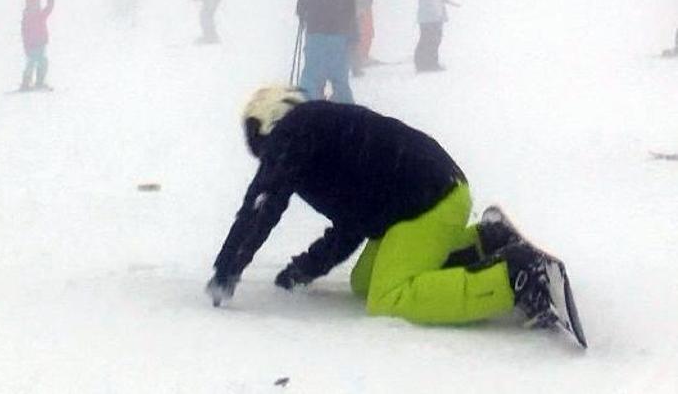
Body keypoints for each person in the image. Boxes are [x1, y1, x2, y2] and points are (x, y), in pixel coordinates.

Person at [206, 86, 584, 345]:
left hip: (426, 200)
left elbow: (262, 202)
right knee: (364, 282)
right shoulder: (317, 138)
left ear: (268, 122)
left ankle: (514, 277)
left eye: (259, 145)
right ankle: (482, 243)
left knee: (388, 296)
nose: (263, 160)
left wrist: (227, 269)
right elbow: (352, 222)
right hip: (427, 195)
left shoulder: (295, 132)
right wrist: (302, 270)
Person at [296, 0, 360, 102]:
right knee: (339, 75)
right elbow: (350, 6)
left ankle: (308, 105)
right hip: (339, 32)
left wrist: (303, 13)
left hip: (315, 31)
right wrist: (353, 32)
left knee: (312, 74)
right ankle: (345, 107)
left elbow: (302, 4)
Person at [415, 0, 458, 72]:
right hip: (432, 17)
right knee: (431, 41)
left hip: (429, 17)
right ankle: (428, 64)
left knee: (429, 40)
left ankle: (426, 63)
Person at [20, 0, 55, 91]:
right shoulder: (27, 18)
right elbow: (24, 32)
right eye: (33, 5)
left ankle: (39, 81)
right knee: (31, 63)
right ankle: (26, 81)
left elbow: (50, 6)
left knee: (43, 62)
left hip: (41, 44)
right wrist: (26, 44)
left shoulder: (41, 15)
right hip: (31, 45)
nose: (36, 7)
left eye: (37, 4)